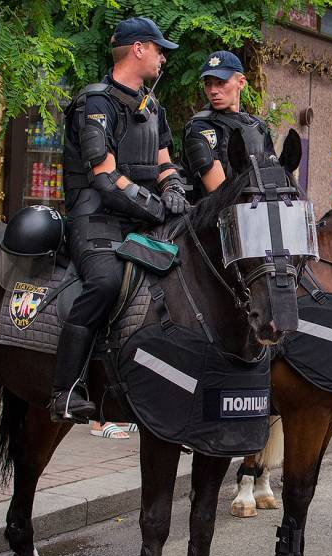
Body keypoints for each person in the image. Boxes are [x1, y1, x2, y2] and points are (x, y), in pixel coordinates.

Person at [51, 17, 188, 424]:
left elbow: (165, 163)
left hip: (142, 223)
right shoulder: (95, 103)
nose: (163, 57)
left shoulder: (153, 106)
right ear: (138, 49)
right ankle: (65, 389)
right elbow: (105, 179)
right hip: (96, 220)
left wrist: (175, 189)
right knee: (106, 283)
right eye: (159, 49)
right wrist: (156, 205)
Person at [182, 50, 276, 197]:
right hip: (213, 216)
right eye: (208, 84)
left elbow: (272, 180)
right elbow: (220, 195)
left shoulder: (259, 127)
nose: (213, 90)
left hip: (257, 213)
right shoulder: (200, 128)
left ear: (241, 83)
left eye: (221, 83)